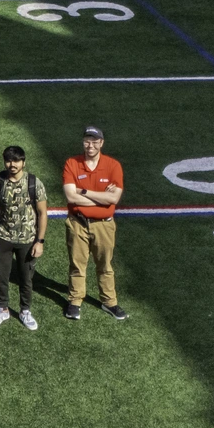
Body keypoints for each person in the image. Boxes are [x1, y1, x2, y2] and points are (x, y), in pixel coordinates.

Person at [62, 125, 127, 320]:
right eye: (87, 141)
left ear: (101, 143)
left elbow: (114, 199)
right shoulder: (72, 163)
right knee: (77, 264)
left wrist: (84, 191)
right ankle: (75, 301)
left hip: (104, 225)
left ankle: (109, 302)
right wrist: (102, 197)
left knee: (105, 264)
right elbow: (70, 196)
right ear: (83, 142)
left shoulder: (113, 165)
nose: (90, 145)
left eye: (94, 141)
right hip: (77, 223)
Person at [0, 146, 48, 331]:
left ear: (23, 162)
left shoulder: (34, 183)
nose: (12, 164)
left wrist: (40, 241)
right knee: (1, 276)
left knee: (25, 277)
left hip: (27, 239)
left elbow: (43, 213)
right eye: (9, 160)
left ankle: (25, 310)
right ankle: (2, 308)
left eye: (16, 161)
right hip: (2, 237)